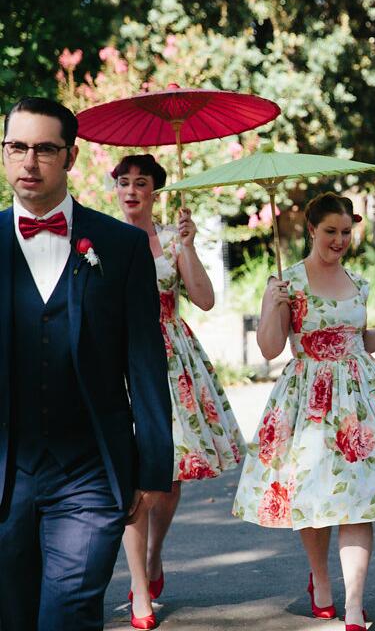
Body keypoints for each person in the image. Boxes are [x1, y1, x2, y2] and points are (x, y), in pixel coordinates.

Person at [0, 97, 173, 631]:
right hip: (6, 472)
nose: (29, 162)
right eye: (16, 147)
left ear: (70, 157)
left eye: (44, 149)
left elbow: (144, 361)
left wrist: (153, 467)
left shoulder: (120, 246)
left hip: (91, 472)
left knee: (68, 612)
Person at [232, 192, 375, 629]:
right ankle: (321, 582)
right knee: (314, 496)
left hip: (360, 397)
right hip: (308, 398)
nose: (340, 240)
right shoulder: (289, 281)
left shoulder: (358, 281)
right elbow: (269, 348)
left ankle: (355, 604)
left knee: (359, 501)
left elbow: (362, 341)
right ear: (311, 230)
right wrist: (272, 303)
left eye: (346, 232)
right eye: (331, 232)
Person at [113, 153, 246, 629]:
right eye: (124, 182)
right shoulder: (100, 240)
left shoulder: (171, 239)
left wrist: (188, 247)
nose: (131, 190)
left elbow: (206, 300)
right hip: (120, 358)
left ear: (155, 191)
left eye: (141, 183)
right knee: (134, 474)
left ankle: (153, 554)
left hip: (171, 357)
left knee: (169, 476)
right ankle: (139, 587)